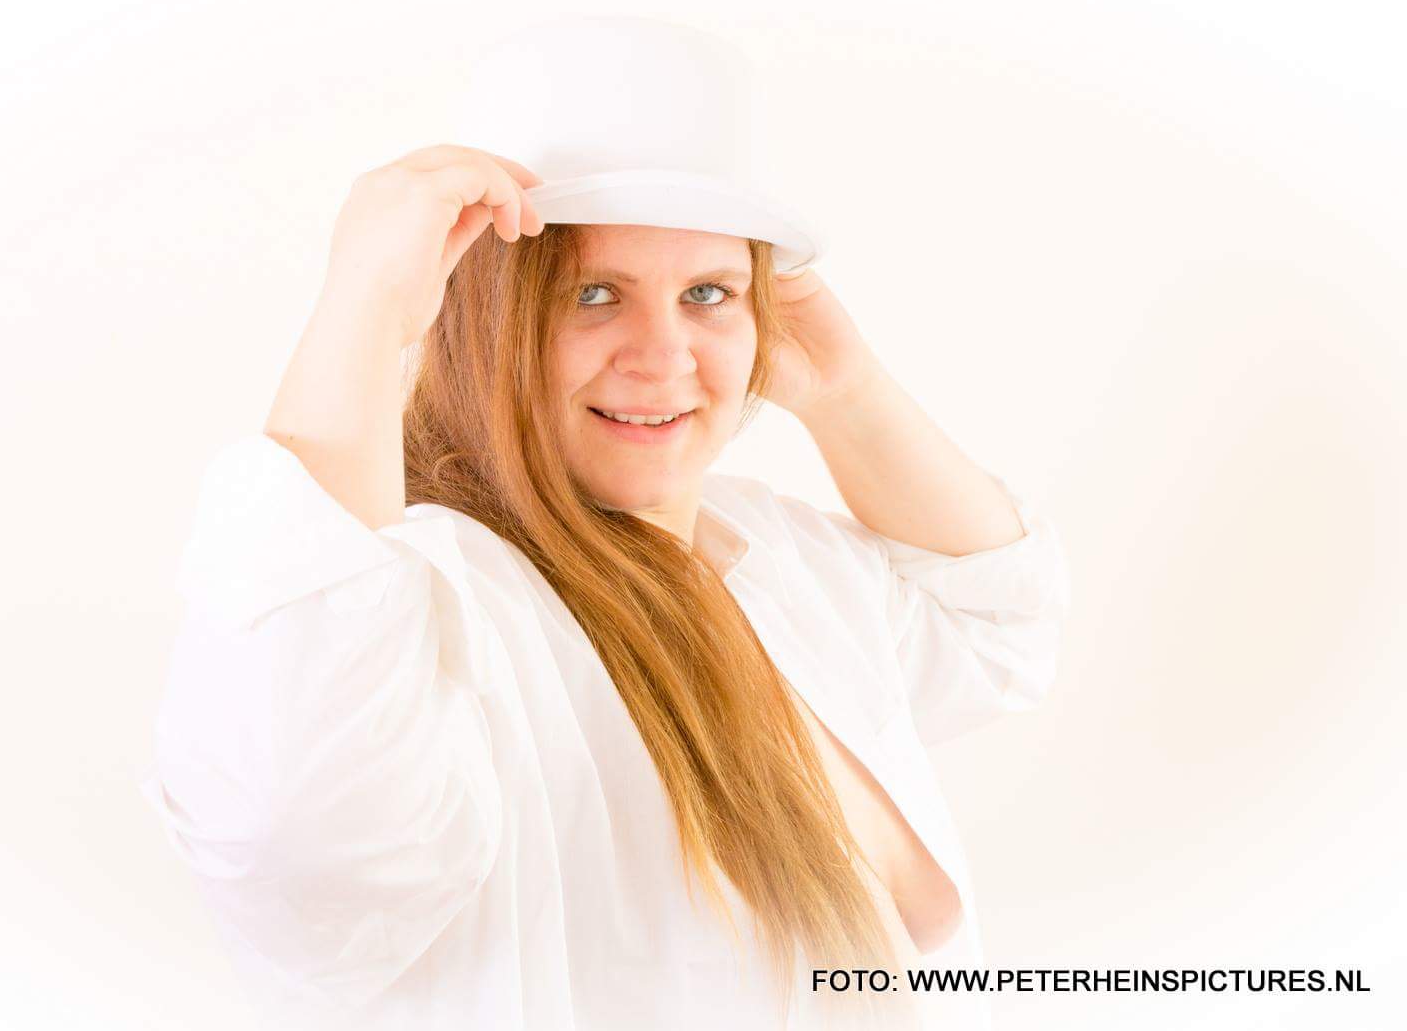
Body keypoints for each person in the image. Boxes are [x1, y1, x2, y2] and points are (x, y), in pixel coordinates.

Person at [137, 139, 1072, 1029]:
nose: (663, 355)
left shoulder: (771, 555)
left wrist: (848, 390)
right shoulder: (453, 614)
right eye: (592, 294)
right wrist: (364, 312)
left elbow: (999, 624)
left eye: (709, 293)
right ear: (478, 323)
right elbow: (296, 827)